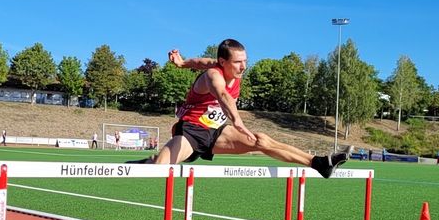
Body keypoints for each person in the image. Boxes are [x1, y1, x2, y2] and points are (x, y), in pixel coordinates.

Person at [128, 39, 352, 178]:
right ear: (222, 62)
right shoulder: (213, 76)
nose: (243, 66)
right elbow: (223, 96)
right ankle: (144, 163)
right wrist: (237, 121)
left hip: (216, 132)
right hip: (191, 132)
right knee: (159, 168)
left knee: (261, 140)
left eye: (245, 61)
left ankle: (320, 163)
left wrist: (182, 63)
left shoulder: (225, 68)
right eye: (237, 62)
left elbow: (199, 61)